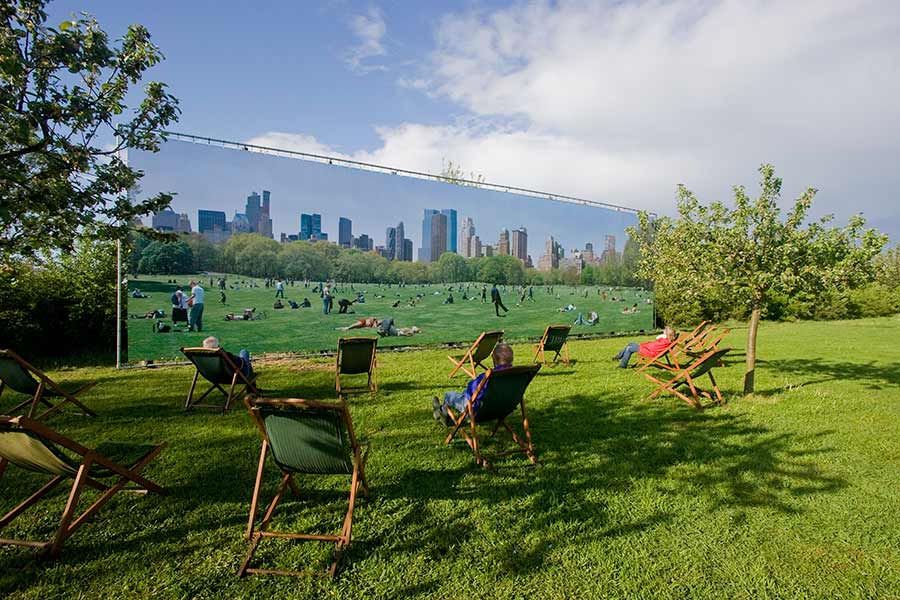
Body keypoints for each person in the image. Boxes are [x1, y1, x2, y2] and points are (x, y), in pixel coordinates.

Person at [432, 342, 514, 426]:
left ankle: (441, 412)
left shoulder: (489, 377)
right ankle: (440, 411)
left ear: (494, 359)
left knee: (448, 395)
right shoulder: (516, 375)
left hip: (477, 411)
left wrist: (466, 393)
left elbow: (471, 390)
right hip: (502, 409)